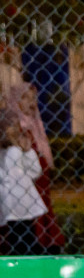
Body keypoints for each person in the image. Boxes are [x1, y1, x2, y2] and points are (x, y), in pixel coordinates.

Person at [0, 108, 46, 255]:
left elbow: (34, 171)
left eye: (15, 125)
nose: (14, 129)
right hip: (9, 199)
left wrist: (27, 152)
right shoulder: (3, 151)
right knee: (15, 235)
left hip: (23, 198)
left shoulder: (18, 147)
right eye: (10, 126)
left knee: (27, 233)